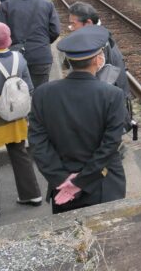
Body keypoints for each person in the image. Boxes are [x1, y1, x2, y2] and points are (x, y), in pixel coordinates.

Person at [29, 26, 126, 212]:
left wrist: (61, 179)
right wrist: (80, 181)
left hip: (62, 189)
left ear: (67, 61)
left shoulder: (42, 94)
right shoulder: (112, 95)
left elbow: (38, 143)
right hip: (103, 183)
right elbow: (110, 144)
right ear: (98, 60)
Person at [0, 22, 40, 218]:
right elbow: (29, 87)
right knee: (20, 152)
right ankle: (32, 195)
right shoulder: (19, 58)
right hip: (15, 116)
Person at [67, 2, 131, 126]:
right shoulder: (99, 36)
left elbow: (100, 87)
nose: (71, 28)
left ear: (89, 23)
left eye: (73, 24)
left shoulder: (97, 45)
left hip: (106, 111)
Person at [0, 0, 61, 88]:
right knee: (39, 93)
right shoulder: (47, 4)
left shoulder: (5, 6)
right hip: (41, 56)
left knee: (16, 95)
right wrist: (42, 41)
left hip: (14, 58)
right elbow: (55, 31)